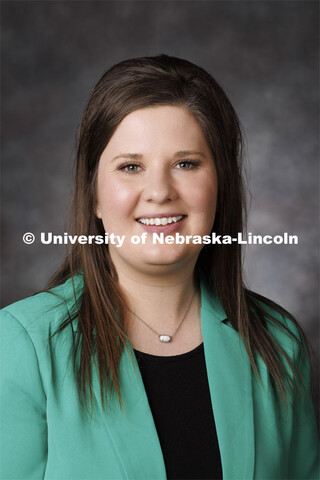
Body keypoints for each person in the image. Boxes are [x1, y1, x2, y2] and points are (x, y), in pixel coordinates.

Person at [0, 54, 319, 480]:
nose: (159, 192)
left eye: (185, 164)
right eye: (131, 167)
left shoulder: (278, 343)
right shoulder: (21, 346)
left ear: (220, 185)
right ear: (93, 194)